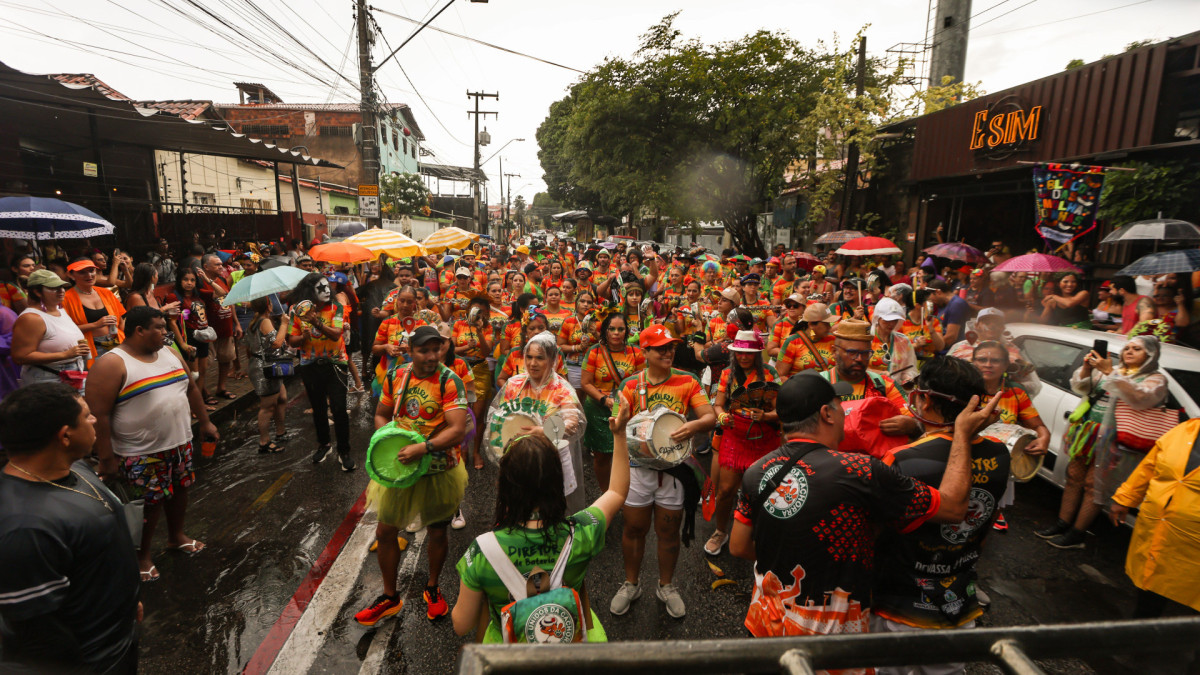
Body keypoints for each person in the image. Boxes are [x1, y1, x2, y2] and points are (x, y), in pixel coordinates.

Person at [731, 369, 1000, 642]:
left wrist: (792, 558)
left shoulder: (755, 471)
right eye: (840, 407)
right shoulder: (859, 470)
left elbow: (738, 546)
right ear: (827, 414)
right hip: (830, 635)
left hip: (766, 622)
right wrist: (963, 434)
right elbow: (954, 509)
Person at [872, 357, 1009, 674]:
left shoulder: (902, 459)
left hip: (898, 605)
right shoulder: (1000, 454)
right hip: (958, 599)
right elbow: (985, 525)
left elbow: (875, 533)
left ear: (924, 399)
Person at [0, 383, 142, 673]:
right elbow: (38, 632)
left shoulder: (74, 466)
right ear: (65, 436)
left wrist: (125, 603)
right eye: (87, 416)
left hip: (120, 637)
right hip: (94, 663)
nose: (94, 421)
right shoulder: (24, 528)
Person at [85, 306, 218, 582]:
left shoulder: (169, 352)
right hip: (140, 452)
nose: (165, 333)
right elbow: (99, 415)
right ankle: (141, 556)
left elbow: (191, 388)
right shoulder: (112, 363)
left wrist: (205, 422)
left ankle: (176, 536)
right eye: (159, 327)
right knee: (147, 505)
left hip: (179, 442)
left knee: (181, 489)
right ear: (139, 330)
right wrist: (106, 457)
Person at [355, 326, 469, 626]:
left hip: (438, 468)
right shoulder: (396, 376)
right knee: (385, 532)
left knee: (438, 532)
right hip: (403, 467)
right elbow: (382, 412)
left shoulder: (449, 380)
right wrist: (388, 437)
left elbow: (459, 429)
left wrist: (424, 447)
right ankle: (390, 597)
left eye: (436, 349)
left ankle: (432, 588)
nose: (432, 356)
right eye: (424, 350)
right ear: (410, 350)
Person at [609, 324, 715, 619]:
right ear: (645, 352)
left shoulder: (688, 380)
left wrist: (693, 425)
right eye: (661, 348)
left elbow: (709, 416)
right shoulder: (630, 385)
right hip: (638, 470)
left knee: (669, 532)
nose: (668, 352)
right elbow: (621, 424)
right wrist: (618, 425)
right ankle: (631, 584)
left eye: (670, 347)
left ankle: (666, 586)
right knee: (633, 529)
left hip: (675, 470)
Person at [1039, 336, 1168, 549]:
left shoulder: (1155, 380)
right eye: (1127, 347)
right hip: (1089, 431)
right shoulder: (1113, 368)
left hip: (1116, 440)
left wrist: (1110, 372)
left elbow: (1140, 397)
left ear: (1151, 355)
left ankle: (1077, 533)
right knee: (1073, 477)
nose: (1129, 351)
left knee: (1094, 486)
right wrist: (1087, 370)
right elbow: (1081, 389)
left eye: (1137, 349)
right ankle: (1062, 523)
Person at [485, 330, 588, 510]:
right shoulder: (514, 385)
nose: (532, 363)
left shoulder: (562, 389)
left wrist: (545, 432)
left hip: (551, 461)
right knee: (520, 509)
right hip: (518, 460)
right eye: (529, 357)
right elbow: (498, 419)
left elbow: (574, 423)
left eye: (540, 358)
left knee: (551, 510)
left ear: (552, 359)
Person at [1110, 418, 1200, 619]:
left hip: (1194, 544)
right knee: (1150, 593)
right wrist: (1125, 498)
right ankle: (1141, 640)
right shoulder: (1185, 430)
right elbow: (1149, 466)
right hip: (1158, 530)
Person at [706, 330, 779, 556]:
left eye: (749, 353)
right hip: (734, 436)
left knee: (763, 491)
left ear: (757, 353)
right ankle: (720, 531)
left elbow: (781, 410)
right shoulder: (728, 374)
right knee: (726, 489)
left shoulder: (769, 373)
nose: (744, 357)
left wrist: (766, 417)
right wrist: (721, 416)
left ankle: (759, 531)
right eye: (740, 353)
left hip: (764, 439)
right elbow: (718, 405)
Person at [973, 340, 1049, 531]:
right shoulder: (963, 389)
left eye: (995, 360)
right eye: (982, 359)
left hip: (1000, 467)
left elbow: (1039, 426)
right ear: (973, 362)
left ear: (1006, 365)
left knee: (987, 518)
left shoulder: (1016, 393)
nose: (988, 364)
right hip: (967, 463)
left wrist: (1044, 438)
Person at [287, 273, 354, 472]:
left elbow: (336, 335)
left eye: (327, 287)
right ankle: (324, 445)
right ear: (309, 292)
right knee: (318, 408)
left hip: (335, 364)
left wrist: (316, 323)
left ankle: (344, 451)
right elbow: (292, 341)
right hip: (309, 366)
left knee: (339, 408)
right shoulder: (296, 311)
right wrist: (303, 337)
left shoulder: (336, 307)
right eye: (321, 288)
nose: (327, 291)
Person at [581, 312, 645, 491]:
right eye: (612, 329)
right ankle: (605, 492)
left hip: (626, 410)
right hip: (598, 409)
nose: (616, 333)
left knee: (627, 454)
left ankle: (624, 491)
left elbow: (642, 382)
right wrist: (605, 400)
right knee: (601, 456)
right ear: (605, 331)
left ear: (627, 332)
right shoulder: (594, 351)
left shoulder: (636, 353)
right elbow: (585, 383)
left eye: (621, 329)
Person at [821, 319, 919, 436]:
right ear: (834, 352)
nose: (860, 359)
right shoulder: (818, 385)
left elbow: (913, 420)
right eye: (852, 352)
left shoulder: (884, 385)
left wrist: (910, 425)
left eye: (866, 353)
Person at [11, 270, 90, 387]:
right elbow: (20, 356)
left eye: (62, 287)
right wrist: (65, 354)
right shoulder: (31, 318)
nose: (61, 291)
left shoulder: (60, 310)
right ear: (37, 292)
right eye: (54, 288)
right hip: (47, 378)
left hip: (74, 373)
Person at [452, 296, 495, 470]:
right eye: (474, 310)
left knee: (478, 415)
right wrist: (465, 348)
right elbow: (451, 349)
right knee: (460, 412)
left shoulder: (488, 327)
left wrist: (479, 332)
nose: (476, 314)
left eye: (481, 312)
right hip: (460, 369)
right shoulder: (458, 325)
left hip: (480, 370)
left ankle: (476, 451)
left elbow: (486, 352)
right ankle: (462, 449)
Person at [62, 258, 125, 367]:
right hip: (90, 349)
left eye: (91, 270)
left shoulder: (106, 293)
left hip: (117, 343)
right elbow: (65, 331)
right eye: (82, 272)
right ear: (71, 275)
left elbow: (121, 320)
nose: (89, 275)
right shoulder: (66, 299)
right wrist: (95, 325)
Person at [247, 296, 290, 454]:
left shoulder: (257, 320)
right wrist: (284, 324)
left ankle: (280, 431)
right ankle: (264, 442)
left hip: (273, 363)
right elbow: (277, 343)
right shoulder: (264, 321)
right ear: (268, 306)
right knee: (267, 407)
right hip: (265, 368)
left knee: (282, 398)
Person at [167, 268, 213, 406]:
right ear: (179, 281)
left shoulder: (198, 295)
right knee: (194, 374)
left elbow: (222, 294)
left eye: (192, 280)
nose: (189, 283)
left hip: (202, 336)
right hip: (188, 337)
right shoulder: (173, 297)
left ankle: (198, 404)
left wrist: (206, 278)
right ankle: (189, 405)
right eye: (185, 279)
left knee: (203, 371)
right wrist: (182, 344)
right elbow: (172, 322)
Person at [198, 254, 239, 399]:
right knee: (205, 364)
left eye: (221, 264)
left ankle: (221, 388)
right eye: (217, 265)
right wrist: (207, 280)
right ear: (206, 267)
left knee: (226, 358)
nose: (221, 267)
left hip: (226, 326)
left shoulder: (222, 280)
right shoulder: (201, 284)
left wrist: (237, 323)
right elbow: (219, 293)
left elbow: (229, 300)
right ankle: (203, 390)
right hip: (209, 330)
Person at [776, 303, 837, 379]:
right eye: (826, 324)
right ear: (811, 324)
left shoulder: (833, 339)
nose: (829, 327)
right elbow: (780, 376)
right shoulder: (792, 342)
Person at [869, 298, 918, 388]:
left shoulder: (903, 341)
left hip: (894, 391)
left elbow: (909, 367)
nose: (891, 323)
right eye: (887, 320)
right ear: (878, 318)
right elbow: (856, 368)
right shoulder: (866, 338)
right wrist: (879, 373)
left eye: (895, 320)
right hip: (869, 389)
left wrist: (907, 378)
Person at [928, 280, 970, 347]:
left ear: (938, 292)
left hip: (951, 351)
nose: (933, 302)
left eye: (933, 299)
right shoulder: (944, 305)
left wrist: (930, 348)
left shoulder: (956, 304)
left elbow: (951, 337)